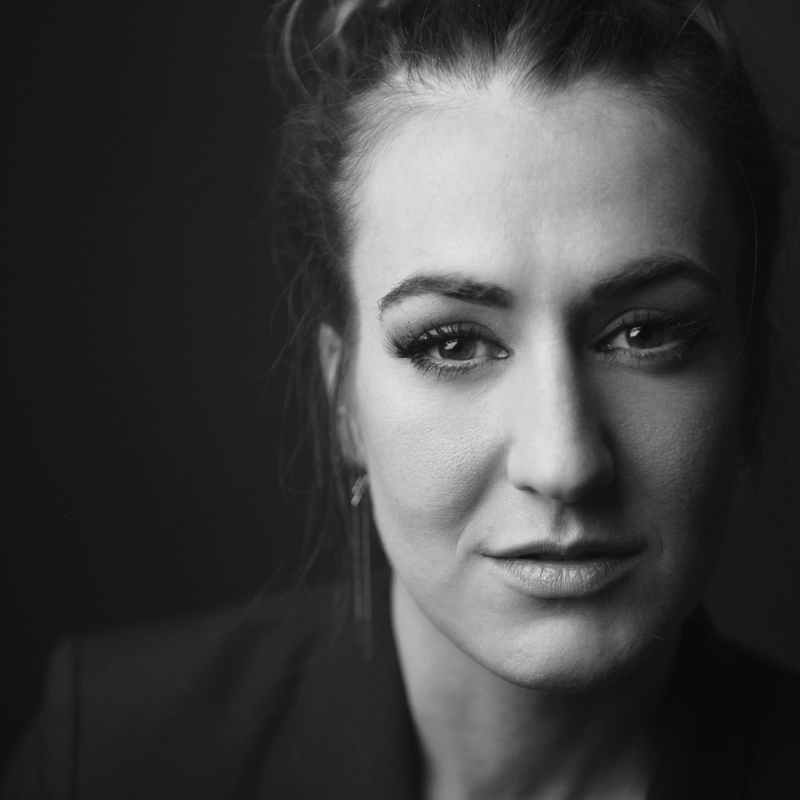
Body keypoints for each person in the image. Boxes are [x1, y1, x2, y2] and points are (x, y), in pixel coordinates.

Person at [3, 0, 798, 798]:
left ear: (750, 377)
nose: (563, 463)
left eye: (645, 332)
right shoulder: (109, 754)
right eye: (451, 344)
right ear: (343, 396)